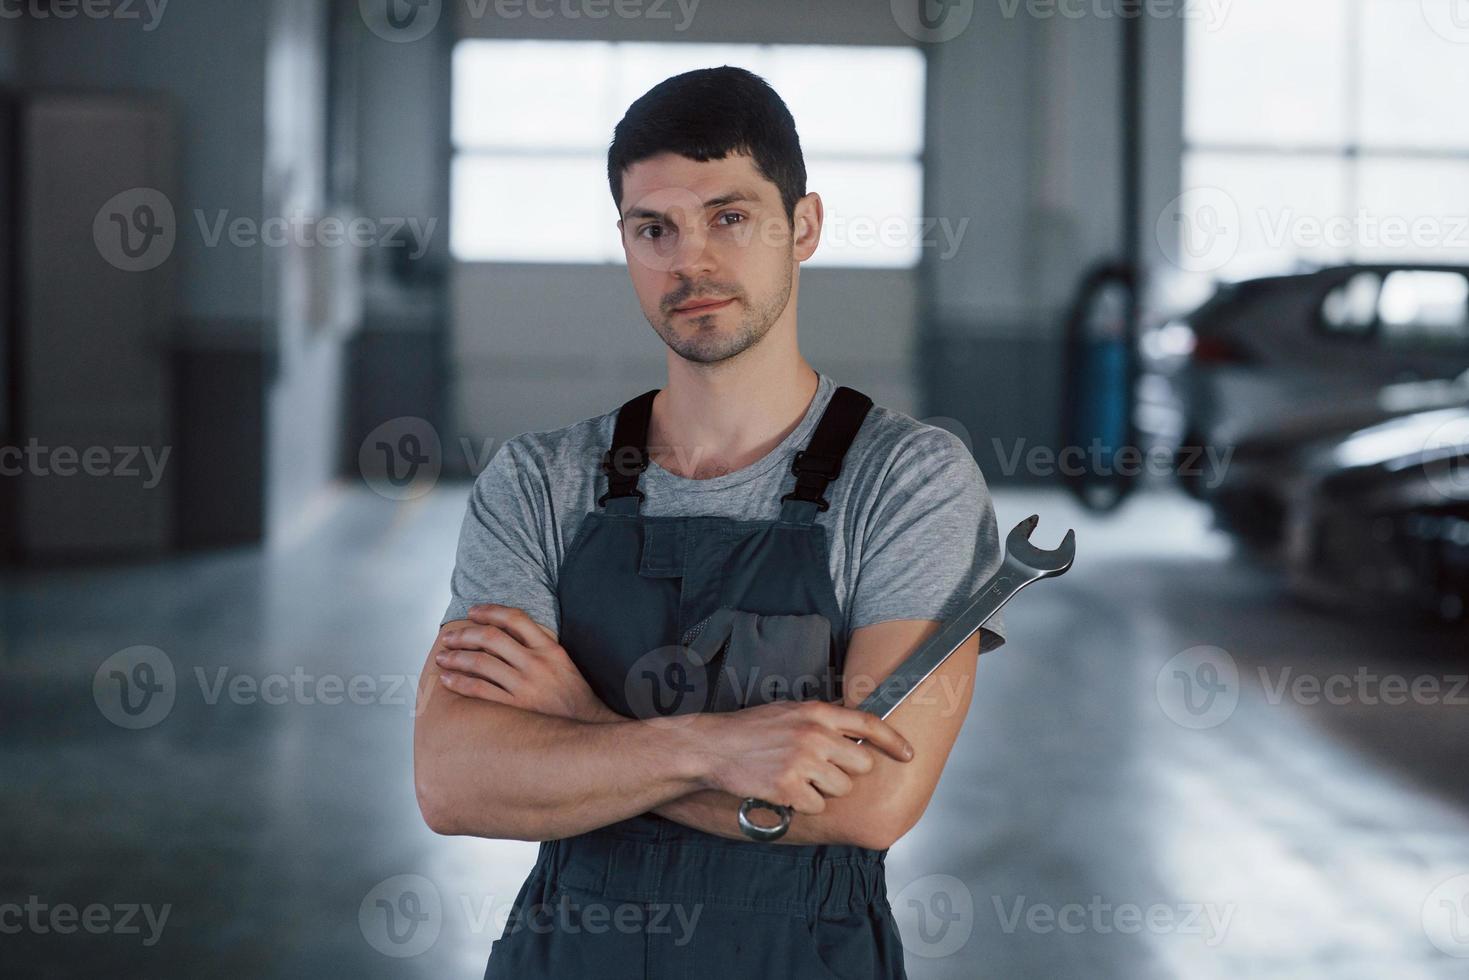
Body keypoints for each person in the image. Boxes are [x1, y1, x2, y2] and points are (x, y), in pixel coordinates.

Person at [413, 64, 1006, 979]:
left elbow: (871, 800)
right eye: (654, 228)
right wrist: (716, 746)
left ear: (801, 226)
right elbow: (455, 780)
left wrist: (580, 726)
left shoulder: (908, 481)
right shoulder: (537, 480)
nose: (689, 260)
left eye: (728, 217)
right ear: (625, 242)